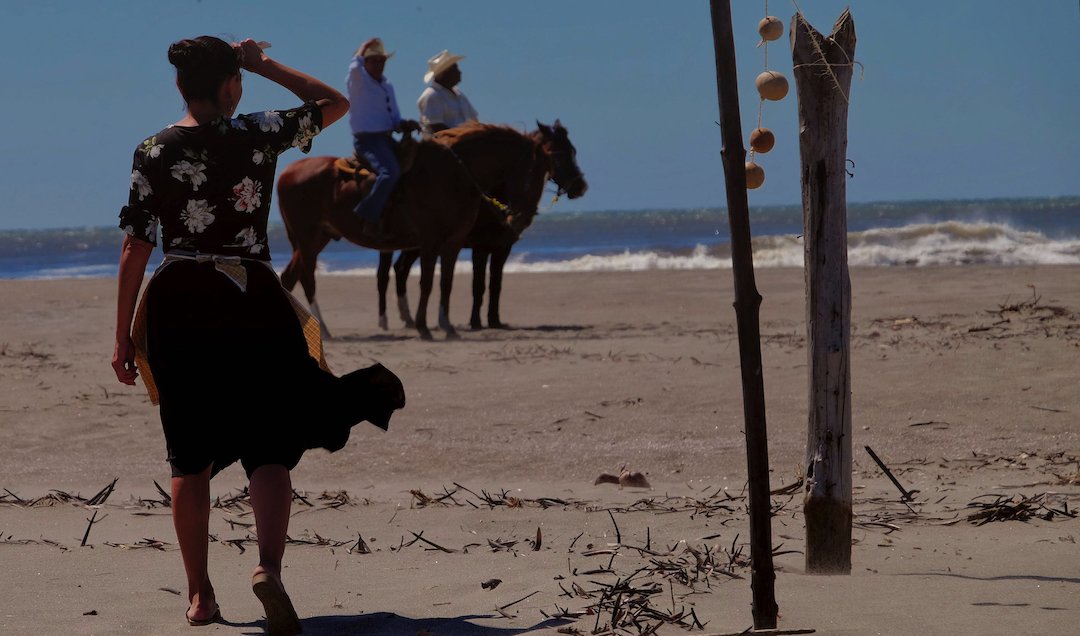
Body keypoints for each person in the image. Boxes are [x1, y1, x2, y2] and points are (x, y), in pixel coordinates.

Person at [112, 36, 405, 634]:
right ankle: (267, 567)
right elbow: (331, 102)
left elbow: (135, 246)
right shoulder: (258, 131)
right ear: (231, 85)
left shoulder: (152, 149)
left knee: (189, 456)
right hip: (251, 296)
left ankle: (199, 597)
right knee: (268, 448)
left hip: (179, 301)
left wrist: (122, 336)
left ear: (178, 86)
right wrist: (263, 63)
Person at [346, 37, 418, 228]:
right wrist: (363, 47)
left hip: (385, 139)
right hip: (367, 140)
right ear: (365, 62)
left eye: (382, 60)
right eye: (374, 60)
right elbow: (354, 66)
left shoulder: (387, 85)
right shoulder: (358, 80)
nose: (379, 64)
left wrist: (404, 124)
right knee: (389, 172)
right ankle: (366, 216)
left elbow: (394, 119)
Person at [416, 49, 479, 137]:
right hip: (442, 147)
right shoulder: (431, 95)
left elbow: (474, 120)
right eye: (455, 70)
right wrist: (460, 136)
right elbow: (434, 126)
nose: (459, 72)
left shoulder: (459, 94)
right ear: (444, 74)